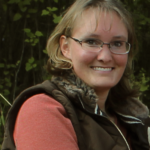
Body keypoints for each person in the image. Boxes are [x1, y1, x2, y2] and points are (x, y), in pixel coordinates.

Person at [2, 0, 150, 150]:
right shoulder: (43, 111)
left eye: (117, 43)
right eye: (91, 41)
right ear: (65, 47)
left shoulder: (134, 119)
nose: (105, 56)